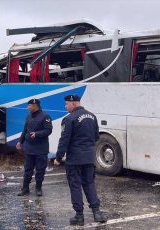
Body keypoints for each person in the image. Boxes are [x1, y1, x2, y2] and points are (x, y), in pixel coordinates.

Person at [54, 95, 107, 226]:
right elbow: (96, 137)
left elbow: (64, 140)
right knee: (89, 183)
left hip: (74, 159)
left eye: (67, 104)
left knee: (75, 186)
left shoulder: (69, 119)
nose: (65, 106)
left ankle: (79, 216)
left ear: (73, 104)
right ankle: (97, 212)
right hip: (89, 158)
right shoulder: (92, 116)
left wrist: (58, 157)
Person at [16, 99, 52, 196]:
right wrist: (20, 142)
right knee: (27, 170)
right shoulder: (28, 117)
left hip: (41, 149)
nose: (28, 107)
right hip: (30, 149)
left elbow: (48, 130)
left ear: (35, 105)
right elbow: (25, 131)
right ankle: (25, 189)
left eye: (29, 105)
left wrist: (37, 134)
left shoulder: (45, 116)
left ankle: (38, 188)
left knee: (40, 170)